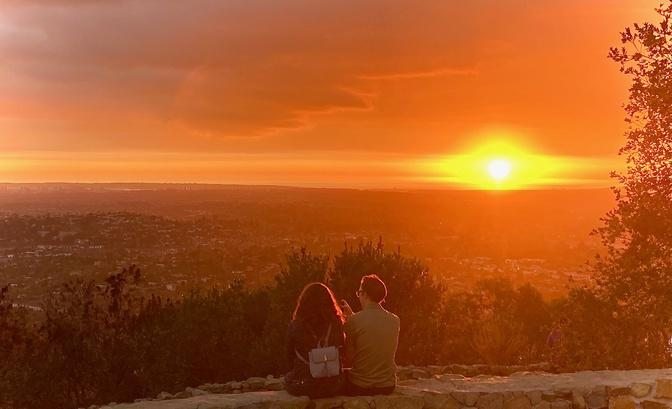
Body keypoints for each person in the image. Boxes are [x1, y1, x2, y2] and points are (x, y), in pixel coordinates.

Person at [340, 274, 400, 396]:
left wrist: (349, 320)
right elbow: (373, 331)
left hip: (360, 386)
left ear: (365, 294)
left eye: (359, 292)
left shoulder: (355, 321)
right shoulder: (395, 320)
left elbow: (349, 357)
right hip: (387, 386)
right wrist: (352, 316)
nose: (358, 296)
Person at [285, 282, 346, 399]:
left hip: (305, 385)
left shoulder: (296, 325)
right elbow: (342, 350)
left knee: (287, 379)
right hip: (333, 385)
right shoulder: (336, 323)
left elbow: (289, 356)